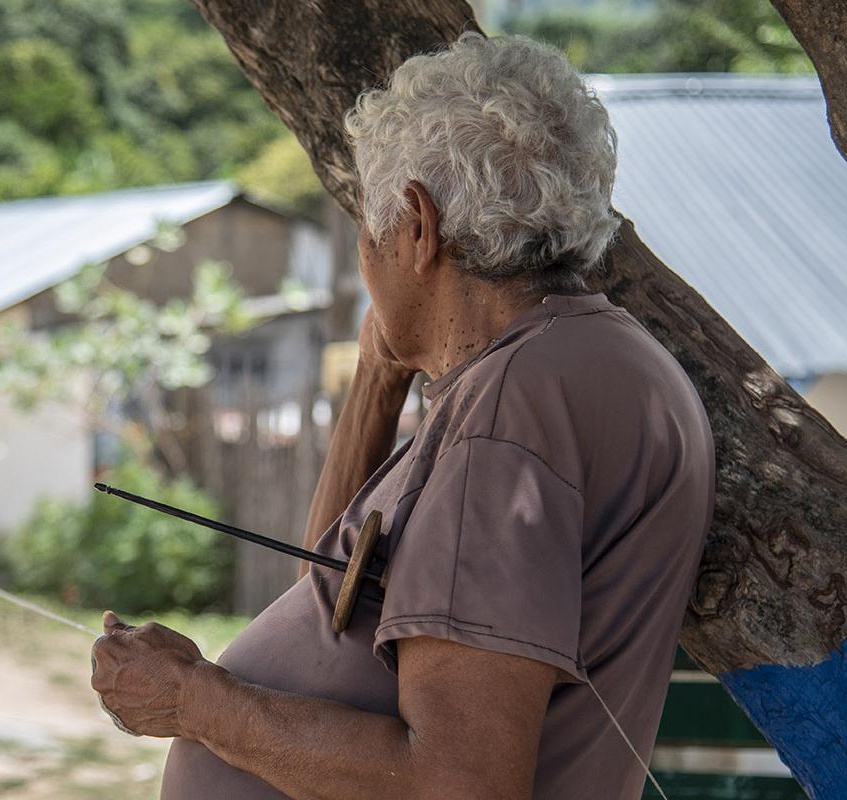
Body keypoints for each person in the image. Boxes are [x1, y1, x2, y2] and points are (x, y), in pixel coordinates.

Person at [91, 31, 714, 799]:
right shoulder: (595, 362)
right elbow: (329, 602)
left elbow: (461, 783)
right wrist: (378, 381)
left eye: (368, 229)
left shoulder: (512, 413)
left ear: (418, 228)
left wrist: (194, 701)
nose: (365, 259)